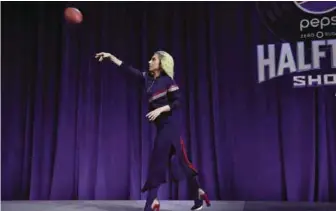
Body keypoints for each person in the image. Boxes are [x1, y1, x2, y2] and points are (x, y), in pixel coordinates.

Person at [95, 51, 211, 211]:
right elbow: (128, 70)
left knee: (159, 162)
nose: (149, 61)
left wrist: (161, 109)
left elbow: (178, 101)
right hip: (162, 128)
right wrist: (112, 58)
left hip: (170, 126)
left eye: (153, 59)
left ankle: (151, 203)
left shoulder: (168, 81)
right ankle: (197, 193)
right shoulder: (147, 79)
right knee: (181, 163)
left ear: (161, 64)